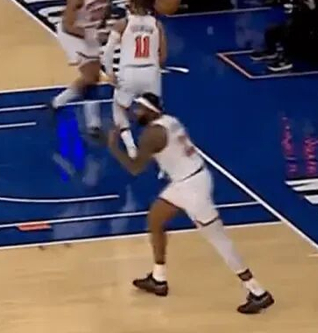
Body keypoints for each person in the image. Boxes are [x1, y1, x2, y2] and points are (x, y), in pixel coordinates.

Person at [106, 93, 274, 314]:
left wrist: (113, 147)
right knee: (155, 219)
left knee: (219, 240)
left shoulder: (152, 134)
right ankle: (158, 278)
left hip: (192, 189)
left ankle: (257, 291)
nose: (135, 113)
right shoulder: (171, 121)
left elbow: (135, 168)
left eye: (139, 109)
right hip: (189, 179)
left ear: (150, 111)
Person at [103, 0, 166, 158]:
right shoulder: (157, 25)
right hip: (151, 72)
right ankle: (161, 153)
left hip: (129, 73)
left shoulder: (122, 24)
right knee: (154, 114)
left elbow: (107, 54)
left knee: (118, 108)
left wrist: (110, 74)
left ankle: (131, 147)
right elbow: (163, 56)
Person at [50, 0, 109, 137]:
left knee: (94, 77)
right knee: (89, 77)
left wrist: (101, 27)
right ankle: (92, 123)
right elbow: (68, 26)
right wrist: (93, 35)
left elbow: (104, 10)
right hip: (72, 35)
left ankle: (58, 102)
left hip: (88, 31)